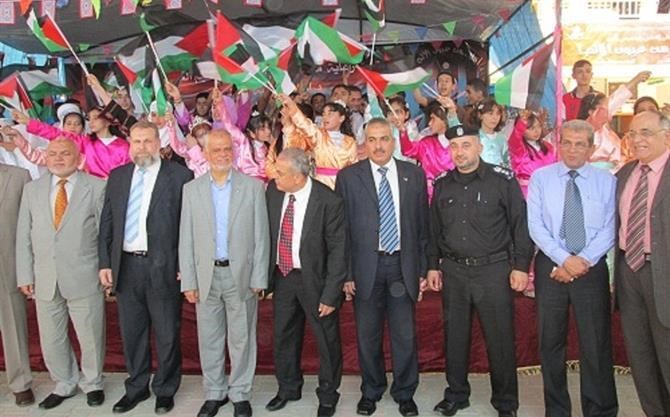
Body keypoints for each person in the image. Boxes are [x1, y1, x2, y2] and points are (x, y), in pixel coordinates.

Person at [426, 125, 533, 417]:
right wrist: (433, 264)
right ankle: (456, 395)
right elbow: (434, 229)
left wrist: (521, 266)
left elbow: (520, 225)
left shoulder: (502, 181)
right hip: (455, 271)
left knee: (500, 340)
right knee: (455, 338)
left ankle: (506, 402)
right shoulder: (443, 184)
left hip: (493, 271)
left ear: (480, 147)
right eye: (454, 146)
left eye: (466, 145)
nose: (459, 152)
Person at [336, 118, 429, 417]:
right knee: (368, 335)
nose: (378, 146)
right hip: (366, 268)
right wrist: (347, 273)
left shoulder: (413, 175)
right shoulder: (348, 177)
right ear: (365, 143)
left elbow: (423, 226)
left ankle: (405, 393)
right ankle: (371, 390)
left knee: (405, 335)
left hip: (402, 265)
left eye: (384, 139)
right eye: (372, 139)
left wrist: (423, 269)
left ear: (394, 141)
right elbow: (341, 231)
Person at [98, 120, 194, 414]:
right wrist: (105, 262)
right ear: (130, 145)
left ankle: (165, 389)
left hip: (164, 266)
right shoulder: (117, 176)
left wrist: (185, 265)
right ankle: (137, 387)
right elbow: (107, 223)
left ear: (158, 143)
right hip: (126, 266)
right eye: (137, 141)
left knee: (167, 332)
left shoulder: (180, 176)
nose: (142, 147)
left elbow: (188, 226)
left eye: (148, 141)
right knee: (133, 332)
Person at [527, 120, 618, 416]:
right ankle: (556, 410)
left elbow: (610, 228)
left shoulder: (607, 181)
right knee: (550, 343)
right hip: (551, 267)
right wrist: (564, 259)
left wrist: (582, 260)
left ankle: (600, 409)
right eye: (566, 142)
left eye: (580, 144)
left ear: (591, 148)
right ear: (559, 144)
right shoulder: (541, 178)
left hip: (591, 267)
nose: (572, 149)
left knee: (595, 343)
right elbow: (535, 226)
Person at [179, 129, 269, 417]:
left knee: (242, 338)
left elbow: (261, 236)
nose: (222, 154)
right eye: (216, 150)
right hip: (205, 276)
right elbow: (186, 238)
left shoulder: (253, 187)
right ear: (205, 154)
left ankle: (240, 392)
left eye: (227, 149)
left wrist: (259, 277)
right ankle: (214, 392)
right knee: (210, 338)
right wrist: (189, 280)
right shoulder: (191, 190)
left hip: (240, 275)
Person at [16, 138, 107, 410]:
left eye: (65, 153)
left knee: (90, 335)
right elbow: (24, 235)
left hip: (84, 274)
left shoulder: (96, 187)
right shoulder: (32, 189)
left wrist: (105, 270)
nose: (58, 158)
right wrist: (25, 274)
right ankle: (64, 383)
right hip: (44, 277)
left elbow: (105, 234)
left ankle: (93, 383)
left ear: (77, 158)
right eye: (53, 153)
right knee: (52, 338)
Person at [265, 148, 346, 417]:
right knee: (284, 336)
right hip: (283, 276)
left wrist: (331, 294)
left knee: (326, 341)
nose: (274, 176)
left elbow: (338, 251)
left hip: (316, 281)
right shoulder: (273, 192)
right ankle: (288, 388)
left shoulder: (328, 201)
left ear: (299, 176)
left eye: (280, 172)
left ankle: (328, 395)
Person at [615, 110, 670, 417]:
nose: (637, 140)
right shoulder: (625, 174)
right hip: (629, 271)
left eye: (645, 132)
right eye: (633, 133)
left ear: (666, 136)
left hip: (664, 274)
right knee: (641, 356)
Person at [0, 163, 34, 407]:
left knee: (13, 323)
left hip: (7, 263)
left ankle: (21, 383)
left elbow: (30, 225)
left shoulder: (19, 176)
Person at [278, 94, 357, 189]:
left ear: (341, 118)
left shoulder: (350, 141)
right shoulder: (319, 135)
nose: (325, 117)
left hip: (344, 183)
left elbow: (354, 167)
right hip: (321, 183)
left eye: (330, 114)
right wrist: (292, 106)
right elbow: (304, 124)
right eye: (324, 114)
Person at [395, 101, 456, 201]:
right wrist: (403, 132)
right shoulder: (426, 144)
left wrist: (452, 111)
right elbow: (408, 150)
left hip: (453, 196)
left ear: (444, 120)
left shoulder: (456, 145)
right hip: (429, 197)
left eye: (433, 119)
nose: (429, 123)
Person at [508, 109, 556, 198]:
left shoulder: (548, 146)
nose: (536, 131)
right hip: (527, 192)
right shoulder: (518, 149)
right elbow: (516, 136)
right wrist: (522, 122)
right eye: (531, 128)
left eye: (538, 126)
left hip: (548, 190)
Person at [469, 98, 510, 167]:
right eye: (490, 114)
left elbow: (507, 161)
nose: (494, 118)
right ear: (480, 115)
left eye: (498, 114)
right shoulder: (474, 137)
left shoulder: (502, 138)